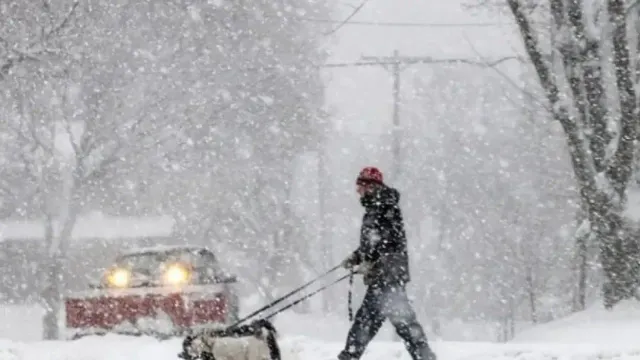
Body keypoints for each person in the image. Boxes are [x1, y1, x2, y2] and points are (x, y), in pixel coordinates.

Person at [338, 167, 437, 360]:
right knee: (404, 325)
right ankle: (425, 357)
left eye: (360, 186)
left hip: (386, 277)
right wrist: (357, 257)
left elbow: (387, 242)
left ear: (370, 186)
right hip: (387, 276)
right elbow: (375, 244)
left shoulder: (383, 206)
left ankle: (349, 356)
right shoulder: (376, 207)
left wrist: (373, 264)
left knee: (366, 323)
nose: (357, 190)